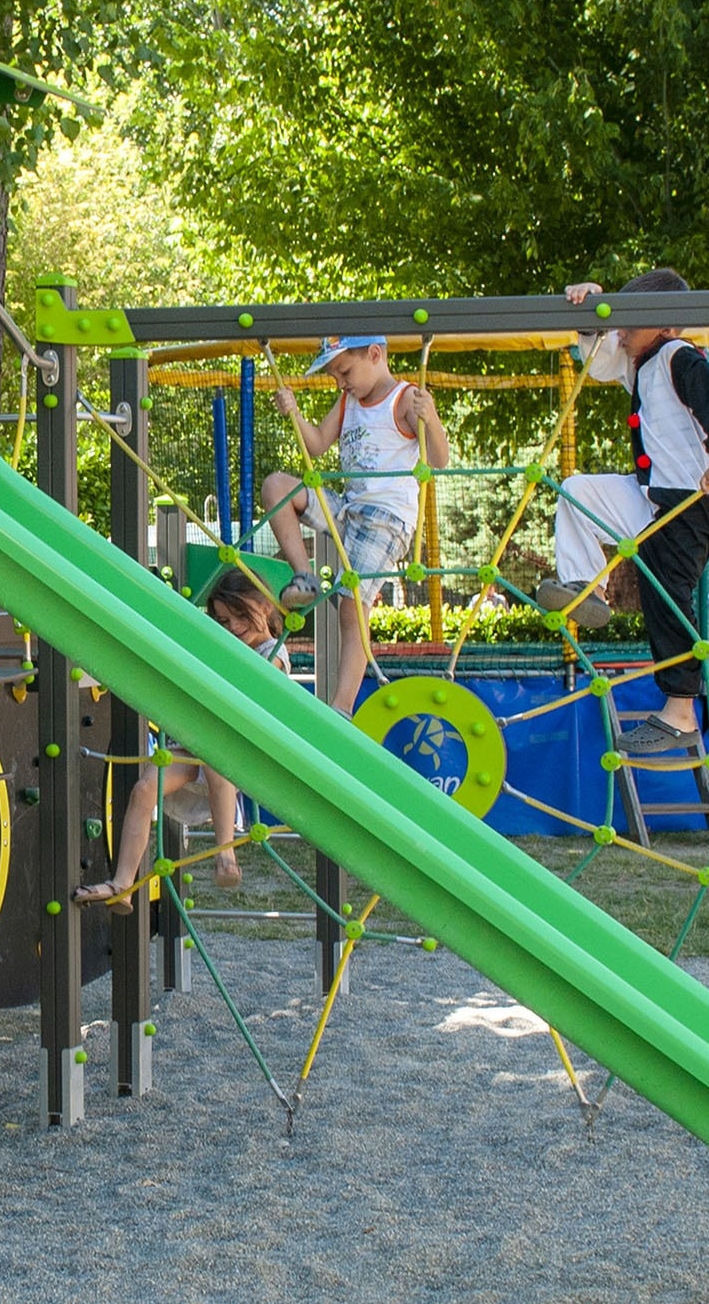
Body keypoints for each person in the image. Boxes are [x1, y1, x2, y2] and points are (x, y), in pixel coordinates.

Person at [546, 270, 709, 762]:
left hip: (691, 502)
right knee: (576, 491)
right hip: (652, 498)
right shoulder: (640, 362)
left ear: (667, 327)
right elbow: (597, 364)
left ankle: (680, 713)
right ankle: (585, 587)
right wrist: (593, 311)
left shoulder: (679, 357)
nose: (621, 333)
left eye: (628, 324)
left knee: (668, 595)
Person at [77, 568, 286, 910]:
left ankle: (226, 856)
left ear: (264, 606)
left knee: (217, 759)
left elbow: (257, 689)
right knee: (146, 787)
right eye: (222, 620)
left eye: (239, 616)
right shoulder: (225, 647)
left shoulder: (272, 652)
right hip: (200, 745)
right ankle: (122, 884)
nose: (232, 627)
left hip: (244, 751)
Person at [261, 337, 452, 707]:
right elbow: (315, 445)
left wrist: (431, 418)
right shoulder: (348, 401)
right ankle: (304, 576)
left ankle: (342, 708)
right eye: (335, 375)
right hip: (349, 508)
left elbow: (439, 459)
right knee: (276, 487)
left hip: (386, 518)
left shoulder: (404, 399)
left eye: (344, 371)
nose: (340, 382)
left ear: (375, 355)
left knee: (353, 607)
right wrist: (294, 413)